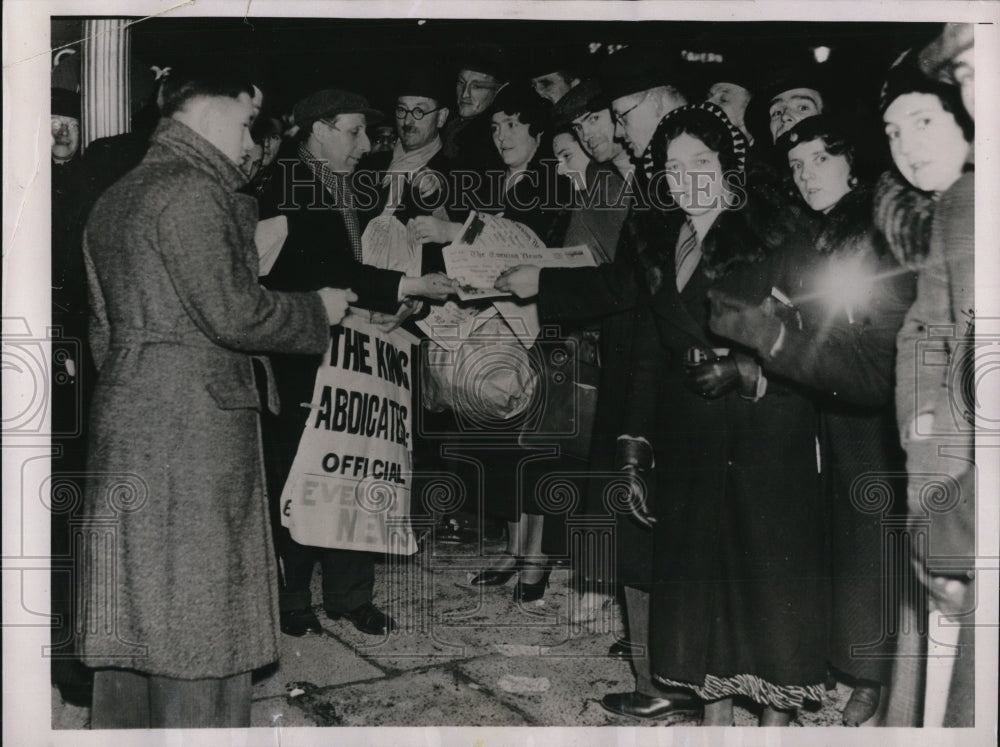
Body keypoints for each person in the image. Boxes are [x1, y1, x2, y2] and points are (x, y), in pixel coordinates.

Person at [77, 72, 357, 728]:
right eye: (243, 122)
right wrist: (317, 309)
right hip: (196, 428)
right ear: (204, 116)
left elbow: (100, 331)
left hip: (132, 416)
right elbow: (235, 313)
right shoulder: (192, 192)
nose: (249, 140)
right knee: (202, 616)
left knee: (137, 614)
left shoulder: (115, 198)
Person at [495, 50, 696, 720]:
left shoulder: (669, 174)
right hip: (635, 361)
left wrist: (544, 283)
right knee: (636, 518)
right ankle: (658, 668)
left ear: (667, 100)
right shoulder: (650, 173)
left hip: (657, 369)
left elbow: (627, 281)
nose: (612, 127)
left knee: (647, 523)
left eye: (622, 113)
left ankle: (664, 678)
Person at [620, 102, 827, 727]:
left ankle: (774, 727)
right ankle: (712, 725)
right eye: (674, 167)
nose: (687, 179)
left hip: (767, 438)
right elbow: (649, 350)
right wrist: (634, 449)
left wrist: (748, 371)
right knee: (699, 591)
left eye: (701, 163)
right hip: (690, 439)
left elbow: (827, 344)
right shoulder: (659, 241)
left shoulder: (779, 234)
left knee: (766, 594)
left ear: (731, 166)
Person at [709, 113, 917, 726]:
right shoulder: (805, 231)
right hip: (812, 402)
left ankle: (872, 673)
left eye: (820, 161)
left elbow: (868, 344)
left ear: (853, 162)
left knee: (868, 539)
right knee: (826, 534)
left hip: (867, 412)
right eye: (796, 166)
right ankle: (827, 657)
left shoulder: (876, 234)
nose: (805, 176)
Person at [256, 88, 456, 639]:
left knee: (363, 463)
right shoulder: (282, 186)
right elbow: (317, 272)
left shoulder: (357, 185)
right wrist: (407, 285)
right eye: (352, 132)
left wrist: (404, 299)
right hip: (301, 354)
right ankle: (294, 595)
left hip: (362, 353)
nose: (366, 146)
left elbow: (385, 255)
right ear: (317, 130)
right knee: (302, 469)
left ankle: (351, 595)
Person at [882, 48, 975, 727]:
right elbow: (929, 345)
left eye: (922, 120)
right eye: (892, 131)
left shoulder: (968, 203)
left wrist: (945, 518)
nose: (906, 146)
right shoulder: (951, 209)